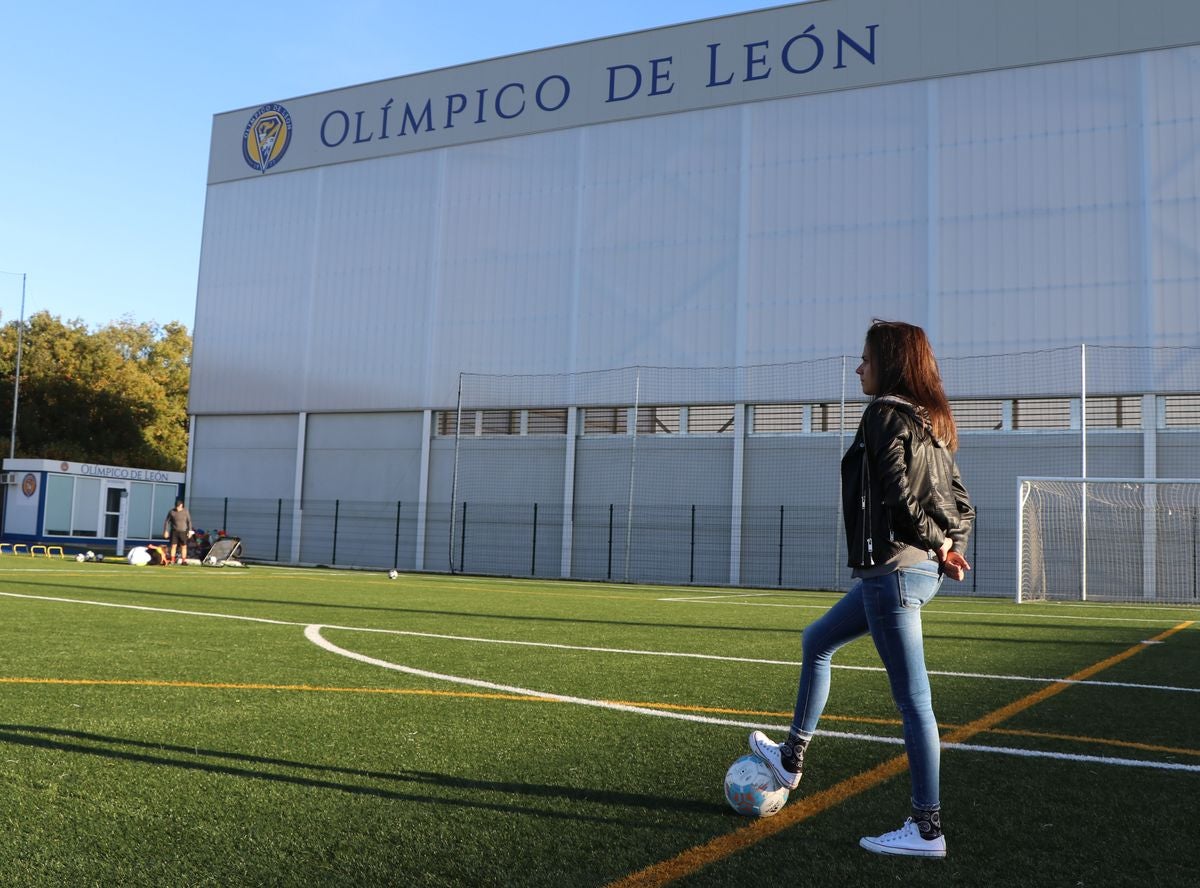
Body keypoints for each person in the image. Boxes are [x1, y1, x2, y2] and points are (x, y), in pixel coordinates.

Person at [749, 319, 974, 859]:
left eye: (865, 360)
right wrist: (945, 544)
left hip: (894, 573)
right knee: (817, 640)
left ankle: (926, 828)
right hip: (911, 573)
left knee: (914, 702)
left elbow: (896, 495)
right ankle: (791, 759)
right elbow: (963, 506)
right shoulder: (934, 421)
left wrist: (936, 545)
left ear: (890, 364)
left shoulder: (883, 415)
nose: (858, 368)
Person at [162, 500, 194, 564]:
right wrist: (166, 530)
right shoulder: (172, 512)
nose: (177, 508)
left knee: (184, 546)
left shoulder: (185, 511)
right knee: (173, 546)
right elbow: (167, 521)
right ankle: (172, 560)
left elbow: (189, 521)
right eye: (176, 507)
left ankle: (183, 561)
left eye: (178, 507)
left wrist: (190, 531)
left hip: (183, 532)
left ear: (181, 505)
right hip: (174, 532)